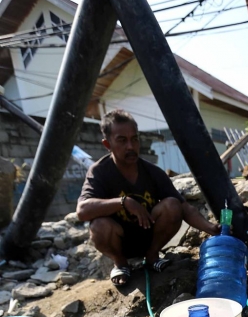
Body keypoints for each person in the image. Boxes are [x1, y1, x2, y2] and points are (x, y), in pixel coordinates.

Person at [77, 109, 219, 286]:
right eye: (122, 140)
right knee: (98, 225)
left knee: (172, 205)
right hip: (119, 240)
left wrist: (211, 228)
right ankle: (121, 264)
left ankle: (152, 257)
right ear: (108, 144)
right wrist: (124, 202)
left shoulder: (153, 172)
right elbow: (82, 211)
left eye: (134, 139)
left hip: (150, 237)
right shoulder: (99, 172)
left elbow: (184, 208)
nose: (131, 146)